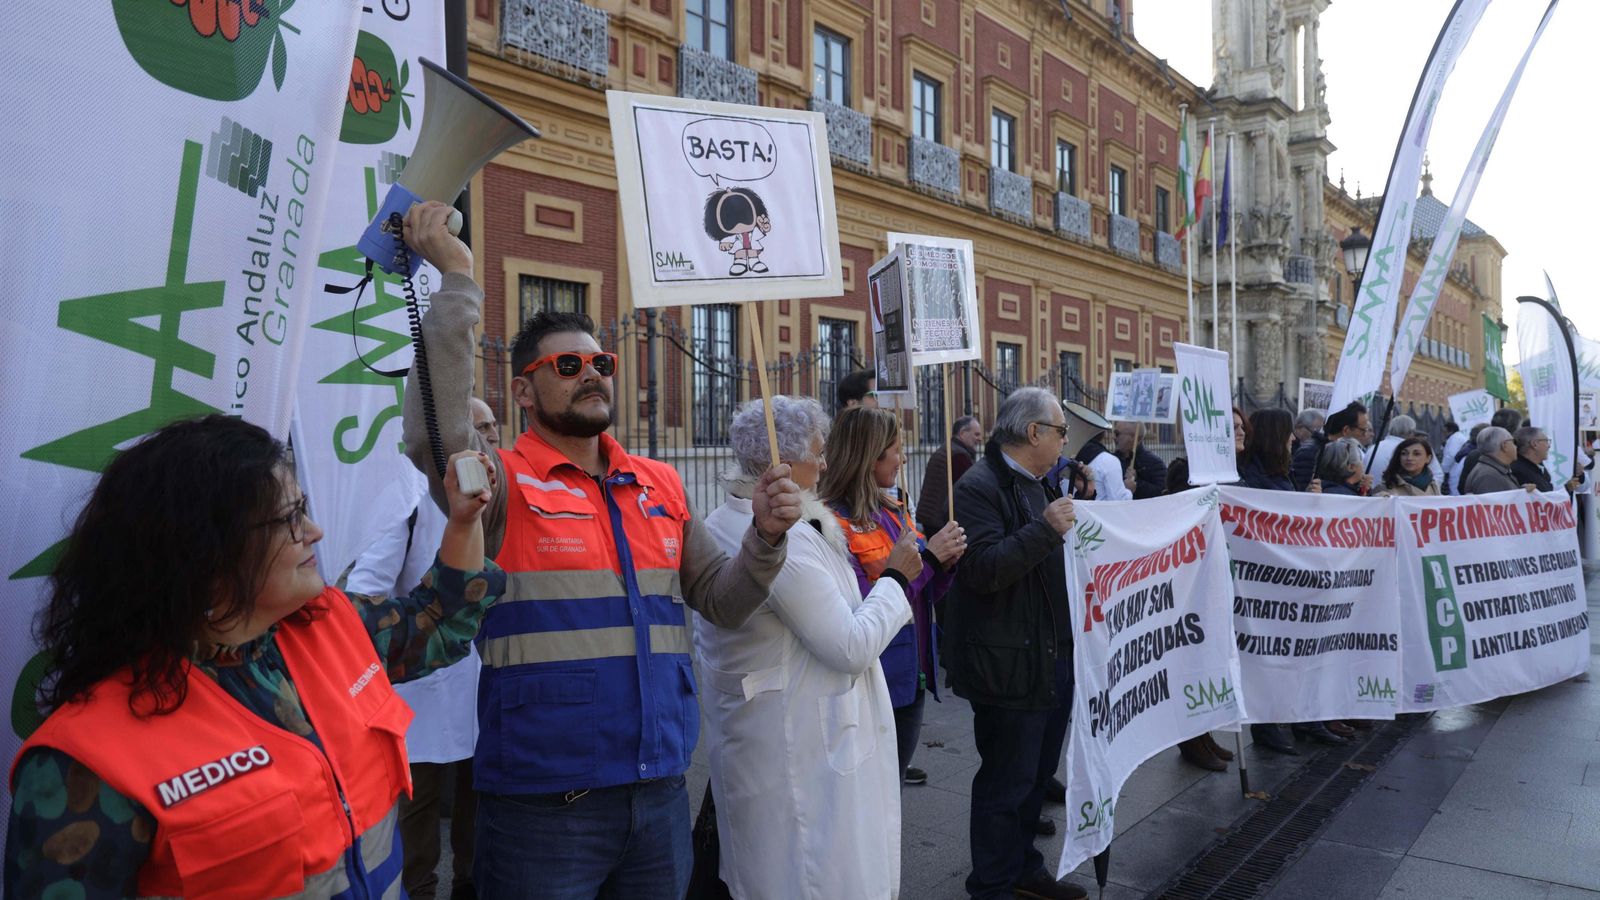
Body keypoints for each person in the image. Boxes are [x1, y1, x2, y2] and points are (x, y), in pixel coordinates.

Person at [397, 201, 802, 899]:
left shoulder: (659, 483)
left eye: (601, 361)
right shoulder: (501, 482)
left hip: (659, 796)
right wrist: (458, 281)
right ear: (523, 389)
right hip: (542, 811)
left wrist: (765, 539)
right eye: (568, 363)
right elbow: (437, 441)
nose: (592, 372)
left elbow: (724, 603)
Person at [5, 415, 504, 900]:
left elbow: (440, 620)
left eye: (302, 508)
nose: (313, 531)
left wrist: (464, 519)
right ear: (205, 551)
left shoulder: (329, 623)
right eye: (288, 519)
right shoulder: (88, 763)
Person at [696, 397, 915, 900]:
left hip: (802, 734)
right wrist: (898, 578)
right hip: (799, 749)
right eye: (817, 452)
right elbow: (851, 644)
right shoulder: (780, 542)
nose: (824, 462)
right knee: (809, 876)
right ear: (783, 462)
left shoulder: (773, 522)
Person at [943, 388, 1086, 900]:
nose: (1066, 441)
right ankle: (993, 883)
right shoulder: (978, 487)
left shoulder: (1037, 484)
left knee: (1036, 775)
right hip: (1007, 661)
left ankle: (1023, 867)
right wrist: (1046, 530)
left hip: (1048, 654)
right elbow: (981, 569)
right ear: (1034, 433)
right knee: (1006, 781)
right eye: (1061, 431)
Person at [819, 407, 964, 790]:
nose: (903, 458)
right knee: (874, 794)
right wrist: (929, 559)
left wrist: (945, 564)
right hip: (878, 676)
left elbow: (925, 592)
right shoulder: (832, 524)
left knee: (891, 791)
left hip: (912, 671)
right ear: (870, 456)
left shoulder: (893, 510)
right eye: (896, 449)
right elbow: (864, 605)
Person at [1166, 456, 1239, 771]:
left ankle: (1203, 734)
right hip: (1186, 609)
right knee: (1189, 667)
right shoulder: (1176, 515)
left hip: (1207, 602)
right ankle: (1190, 740)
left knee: (1207, 664)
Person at [919, 415, 983, 535]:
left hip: (930, 518)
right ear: (963, 433)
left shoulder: (948, 449)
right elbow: (969, 493)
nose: (980, 439)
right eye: (976, 434)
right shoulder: (959, 456)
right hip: (941, 521)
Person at [1291, 402, 1369, 492]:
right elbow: (1300, 494)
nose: (1365, 435)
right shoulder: (1310, 453)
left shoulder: (1349, 450)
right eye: (1363, 430)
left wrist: (1362, 488)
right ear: (1346, 430)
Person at [1456, 408, 1525, 490]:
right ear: (1504, 445)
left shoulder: (1474, 454)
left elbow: (1462, 488)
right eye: (1520, 426)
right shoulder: (1517, 457)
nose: (1521, 430)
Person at [1365, 415, 1443, 485]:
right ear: (1411, 432)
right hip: (1403, 497)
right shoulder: (1413, 448)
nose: (1409, 457)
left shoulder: (1374, 448)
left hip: (1373, 497)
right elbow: (1438, 475)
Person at [1076, 423, 1132, 502]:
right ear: (1103, 434)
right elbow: (1118, 501)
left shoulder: (1067, 454)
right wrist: (1129, 490)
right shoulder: (1109, 461)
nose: (1114, 437)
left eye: (1116, 433)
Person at [1114, 421, 1166, 499]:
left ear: (1134, 437)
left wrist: (1137, 482)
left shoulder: (1154, 463)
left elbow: (1162, 493)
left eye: (1117, 434)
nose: (1114, 437)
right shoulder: (1112, 460)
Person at [1463, 426, 1522, 495]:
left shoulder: (1493, 471)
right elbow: (1494, 504)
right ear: (1504, 445)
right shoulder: (1488, 477)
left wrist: (1522, 491)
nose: (1516, 446)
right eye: (1513, 442)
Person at [1511, 426, 1556, 493]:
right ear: (1534, 444)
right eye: (1546, 441)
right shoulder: (1519, 471)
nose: (1549, 446)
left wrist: (1567, 488)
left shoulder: (1537, 465)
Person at [1438, 421, 1466, 493]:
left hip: (1456, 469)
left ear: (1451, 431)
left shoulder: (1455, 438)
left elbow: (1450, 455)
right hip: (1458, 468)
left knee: (1455, 492)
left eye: (1445, 432)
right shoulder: (1458, 437)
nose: (1444, 434)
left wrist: (1444, 469)